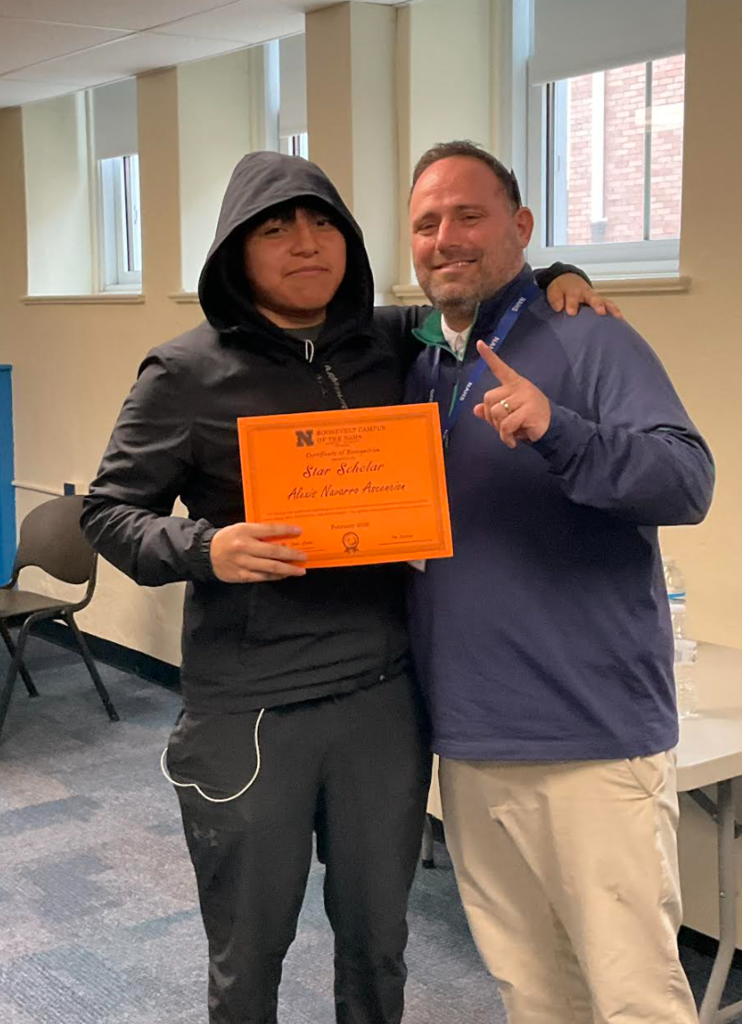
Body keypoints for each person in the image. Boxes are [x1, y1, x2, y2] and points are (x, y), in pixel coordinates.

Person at [81, 150, 612, 1024]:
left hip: (379, 697)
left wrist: (561, 275)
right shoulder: (182, 374)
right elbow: (106, 514)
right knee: (250, 953)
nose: (304, 243)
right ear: (234, 251)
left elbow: (476, 291)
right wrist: (206, 547)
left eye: (322, 222)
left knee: (378, 940)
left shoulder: (388, 337)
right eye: (275, 227)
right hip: (250, 710)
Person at [405, 140, 714, 1024]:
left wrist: (559, 429)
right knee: (532, 993)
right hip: (468, 741)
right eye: (427, 222)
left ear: (521, 227)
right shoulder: (429, 364)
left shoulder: (592, 339)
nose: (445, 236)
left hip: (590, 742)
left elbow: (687, 480)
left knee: (633, 1002)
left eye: (468, 214)